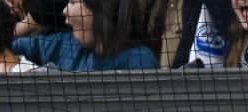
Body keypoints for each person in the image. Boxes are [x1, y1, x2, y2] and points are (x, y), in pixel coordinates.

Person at [14, 0, 159, 69]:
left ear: (100, 8)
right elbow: (6, 45)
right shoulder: (66, 45)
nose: (65, 10)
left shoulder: (139, 61)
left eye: (72, 2)